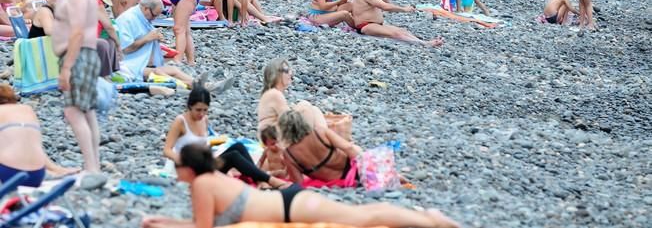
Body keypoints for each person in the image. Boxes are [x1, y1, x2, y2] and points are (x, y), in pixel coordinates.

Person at [141, 143, 460, 228]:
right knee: (364, 214)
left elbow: (203, 227)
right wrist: (164, 222)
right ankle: (427, 219)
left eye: (178, 166)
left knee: (363, 219)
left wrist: (164, 224)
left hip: (291, 207)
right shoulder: (209, 181)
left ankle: (431, 221)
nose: (176, 171)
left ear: (188, 168)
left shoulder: (202, 185)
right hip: (289, 204)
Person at [162, 84, 288, 190]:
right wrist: (185, 161)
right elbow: (167, 150)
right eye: (198, 110)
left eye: (205, 110)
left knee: (238, 146)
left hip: (203, 163)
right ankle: (270, 180)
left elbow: (205, 146)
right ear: (190, 106)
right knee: (233, 157)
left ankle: (260, 180)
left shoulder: (204, 120)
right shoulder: (180, 122)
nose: (201, 114)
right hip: (188, 167)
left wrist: (212, 160)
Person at [46, 0, 103, 178]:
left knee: (73, 111)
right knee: (86, 111)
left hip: (78, 55)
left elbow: (78, 32)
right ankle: (94, 165)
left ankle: (91, 167)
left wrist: (67, 67)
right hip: (82, 55)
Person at [116, 0, 227, 89]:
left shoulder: (142, 17)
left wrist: (161, 47)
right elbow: (125, 49)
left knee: (173, 70)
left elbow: (143, 41)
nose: (154, 19)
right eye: (154, 15)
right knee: (159, 73)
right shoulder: (128, 19)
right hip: (128, 66)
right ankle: (196, 86)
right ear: (145, 9)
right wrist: (147, 38)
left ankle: (206, 85)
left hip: (141, 63)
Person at [0, 84, 80, 188]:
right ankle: (55, 170)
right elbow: (35, 145)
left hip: (9, 175)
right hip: (36, 176)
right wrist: (56, 168)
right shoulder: (27, 109)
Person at [279, 109, 362, 184]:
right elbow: (348, 147)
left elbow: (298, 181)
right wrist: (364, 166)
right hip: (352, 168)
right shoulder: (320, 132)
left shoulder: (289, 154)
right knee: (356, 147)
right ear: (303, 122)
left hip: (336, 179)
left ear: (283, 130)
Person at [257, 58, 328, 136]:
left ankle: (322, 138)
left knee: (313, 110)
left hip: (271, 136)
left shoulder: (270, 93)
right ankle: (321, 139)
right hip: (273, 139)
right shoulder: (274, 94)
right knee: (306, 107)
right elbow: (287, 121)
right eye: (286, 70)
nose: (290, 73)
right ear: (276, 74)